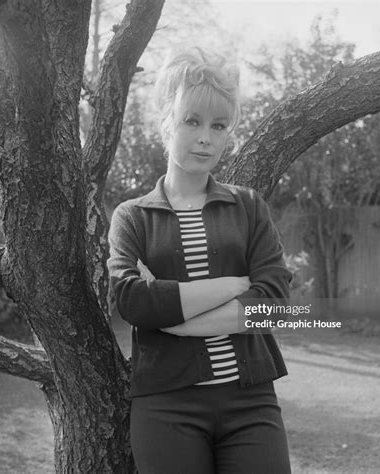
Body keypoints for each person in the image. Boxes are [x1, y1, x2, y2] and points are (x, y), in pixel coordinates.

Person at [107, 45, 292, 474]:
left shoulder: (248, 207)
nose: (206, 137)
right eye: (192, 121)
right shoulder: (132, 216)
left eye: (219, 125)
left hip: (251, 402)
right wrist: (232, 286)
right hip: (167, 407)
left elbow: (277, 304)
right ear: (166, 122)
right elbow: (132, 302)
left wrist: (171, 317)